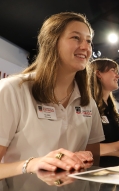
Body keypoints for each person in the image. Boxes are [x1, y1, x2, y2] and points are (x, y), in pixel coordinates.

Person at [0, 12, 105, 179]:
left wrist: (82, 161)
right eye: (76, 38)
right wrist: (32, 164)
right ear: (52, 42)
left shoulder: (88, 103)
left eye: (89, 41)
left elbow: (93, 164)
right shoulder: (12, 90)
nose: (86, 47)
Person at [89, 58, 119, 161]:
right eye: (113, 71)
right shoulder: (88, 106)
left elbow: (109, 144)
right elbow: (89, 149)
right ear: (98, 74)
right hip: (95, 172)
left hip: (112, 171)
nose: (118, 76)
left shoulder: (110, 108)